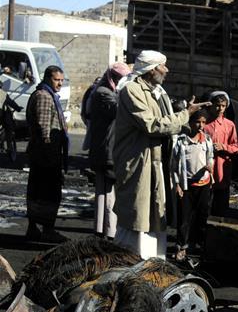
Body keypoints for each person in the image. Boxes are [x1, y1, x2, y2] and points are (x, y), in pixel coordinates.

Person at [113, 50, 209, 259]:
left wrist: (186, 123)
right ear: (151, 69)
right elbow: (152, 125)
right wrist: (186, 115)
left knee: (154, 215)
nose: (166, 70)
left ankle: (153, 264)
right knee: (138, 215)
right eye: (162, 66)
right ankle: (129, 263)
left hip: (157, 163)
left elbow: (169, 121)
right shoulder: (132, 91)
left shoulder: (158, 92)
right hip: (140, 163)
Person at [25, 65, 68, 243]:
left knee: (39, 191)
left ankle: (35, 228)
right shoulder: (43, 96)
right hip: (45, 154)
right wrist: (49, 153)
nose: (59, 83)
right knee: (46, 192)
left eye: (61, 80)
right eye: (56, 80)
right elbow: (44, 129)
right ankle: (45, 229)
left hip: (46, 153)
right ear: (47, 78)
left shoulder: (49, 94)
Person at [86, 62, 130, 239]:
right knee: (107, 192)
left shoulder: (107, 92)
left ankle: (104, 231)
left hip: (107, 148)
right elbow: (120, 110)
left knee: (106, 192)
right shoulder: (104, 93)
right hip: (106, 150)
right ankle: (107, 232)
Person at [171, 109, 215, 261]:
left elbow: (210, 157)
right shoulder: (182, 141)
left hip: (204, 184)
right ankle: (181, 247)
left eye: (203, 122)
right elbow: (174, 165)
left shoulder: (207, 140)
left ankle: (198, 246)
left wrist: (210, 165)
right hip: (187, 186)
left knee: (202, 217)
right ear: (190, 123)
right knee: (184, 219)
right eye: (197, 122)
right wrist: (177, 184)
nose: (200, 125)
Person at [204, 90, 238, 216]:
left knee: (221, 202)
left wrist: (223, 147)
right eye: (217, 105)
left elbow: (236, 147)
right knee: (204, 201)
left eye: (223, 106)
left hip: (222, 168)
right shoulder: (203, 124)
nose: (220, 109)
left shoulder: (229, 125)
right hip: (205, 167)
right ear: (211, 105)